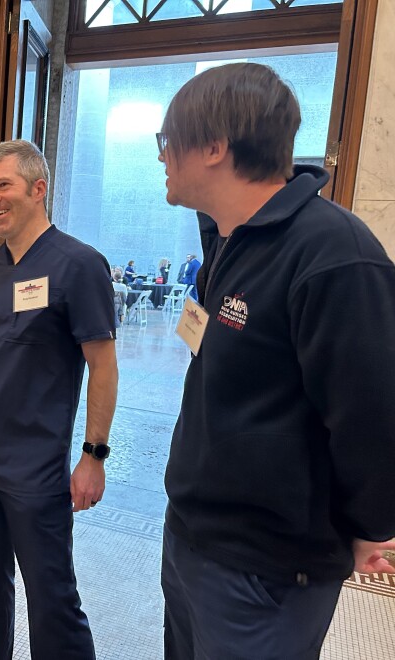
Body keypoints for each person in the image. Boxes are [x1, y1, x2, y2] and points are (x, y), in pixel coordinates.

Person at [157, 62, 395, 660]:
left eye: (168, 141)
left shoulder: (333, 252)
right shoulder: (231, 238)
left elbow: (370, 411)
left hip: (268, 568)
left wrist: (373, 525)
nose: (162, 157)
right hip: (192, 536)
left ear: (214, 146)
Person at [0, 139, 118, 659]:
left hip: (35, 472)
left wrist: (94, 456)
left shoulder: (80, 265)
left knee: (53, 600)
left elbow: (103, 366)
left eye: (4, 186)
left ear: (38, 189)